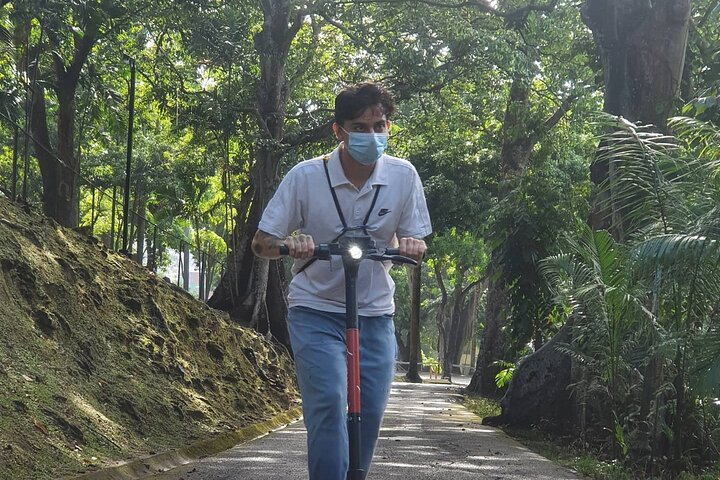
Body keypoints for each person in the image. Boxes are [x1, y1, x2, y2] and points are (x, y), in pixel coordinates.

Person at [251, 82, 431, 480]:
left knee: (368, 412)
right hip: (315, 310)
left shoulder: (404, 176)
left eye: (379, 126)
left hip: (375, 312)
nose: (371, 135)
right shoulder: (306, 177)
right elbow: (261, 244)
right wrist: (291, 244)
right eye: (360, 127)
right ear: (339, 131)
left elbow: (411, 238)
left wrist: (411, 246)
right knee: (331, 403)